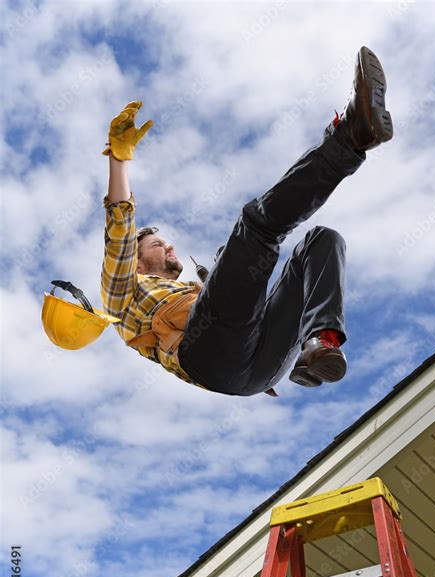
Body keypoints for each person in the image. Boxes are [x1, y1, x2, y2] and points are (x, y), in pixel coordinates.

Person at [101, 46, 392, 397]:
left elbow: (238, 305)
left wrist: (231, 276)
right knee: (256, 227)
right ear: (134, 260)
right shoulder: (121, 293)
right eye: (157, 245)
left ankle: (321, 342)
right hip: (208, 358)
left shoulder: (191, 294)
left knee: (322, 240)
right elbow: (120, 228)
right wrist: (119, 159)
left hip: (259, 369)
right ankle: (349, 135)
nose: (169, 246)